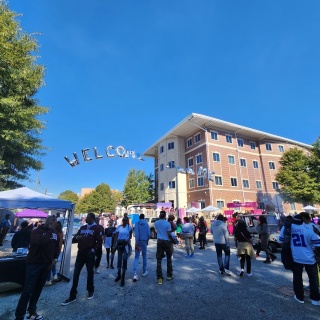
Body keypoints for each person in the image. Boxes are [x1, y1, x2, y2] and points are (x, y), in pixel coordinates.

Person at [15, 215, 60, 320]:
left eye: (55, 221)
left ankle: (32, 311)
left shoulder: (55, 233)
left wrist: (55, 259)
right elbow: (39, 242)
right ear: (47, 221)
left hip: (47, 265)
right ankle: (19, 316)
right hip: (34, 264)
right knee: (27, 290)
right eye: (52, 221)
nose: (55, 222)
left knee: (38, 289)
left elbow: (57, 247)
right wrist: (50, 230)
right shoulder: (36, 231)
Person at [61, 213, 103, 305]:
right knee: (76, 274)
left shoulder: (96, 228)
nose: (85, 219)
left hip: (89, 254)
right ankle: (72, 295)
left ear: (92, 218)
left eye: (87, 217)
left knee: (90, 273)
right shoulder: (83, 228)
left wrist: (93, 250)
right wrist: (77, 237)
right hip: (80, 253)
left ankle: (90, 290)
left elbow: (99, 241)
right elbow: (74, 239)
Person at [279, 212, 320, 305]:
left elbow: (281, 240)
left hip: (296, 257)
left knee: (297, 278)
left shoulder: (287, 228)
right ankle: (315, 299)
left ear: (293, 220)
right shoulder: (309, 229)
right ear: (302, 221)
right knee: (313, 279)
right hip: (310, 258)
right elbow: (318, 244)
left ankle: (299, 297)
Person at [154, 210, 175, 285]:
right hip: (167, 241)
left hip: (159, 241)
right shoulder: (167, 223)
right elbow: (169, 234)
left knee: (159, 259)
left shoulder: (156, 223)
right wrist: (173, 240)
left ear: (159, 215)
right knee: (169, 258)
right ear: (165, 215)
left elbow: (157, 231)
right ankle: (169, 274)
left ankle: (159, 277)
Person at [112, 216, 133, 287]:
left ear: (127, 221)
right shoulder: (119, 227)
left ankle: (123, 277)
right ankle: (119, 274)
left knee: (124, 259)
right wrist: (114, 245)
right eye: (123, 220)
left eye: (125, 220)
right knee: (119, 259)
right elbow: (116, 236)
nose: (124, 221)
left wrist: (127, 240)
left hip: (126, 245)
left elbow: (130, 236)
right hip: (119, 245)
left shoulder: (129, 227)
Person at [133, 213, 150, 281]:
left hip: (138, 241)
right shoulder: (146, 224)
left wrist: (136, 242)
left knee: (136, 257)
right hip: (144, 241)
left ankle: (135, 273)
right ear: (144, 217)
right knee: (144, 256)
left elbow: (136, 233)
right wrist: (147, 240)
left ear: (139, 218)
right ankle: (144, 271)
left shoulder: (137, 224)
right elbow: (148, 234)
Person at [46, 220, 63, 285]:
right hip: (58, 249)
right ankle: (55, 275)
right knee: (53, 263)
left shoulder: (54, 233)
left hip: (53, 250)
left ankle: (49, 279)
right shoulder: (60, 232)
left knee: (50, 264)